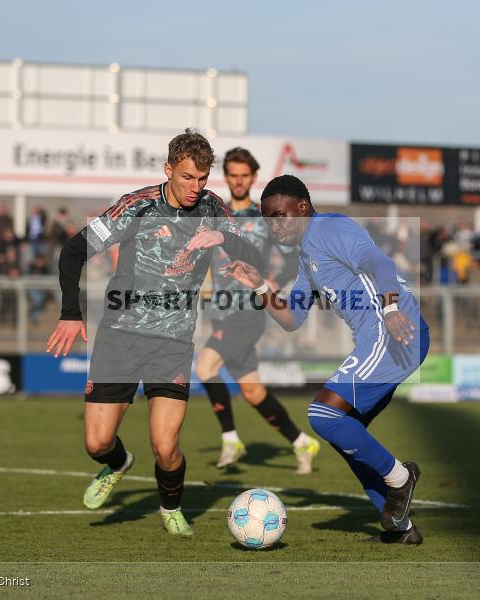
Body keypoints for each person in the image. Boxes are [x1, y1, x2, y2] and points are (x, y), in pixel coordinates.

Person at [45, 130, 263, 537]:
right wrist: (70, 313)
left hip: (174, 343)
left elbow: (254, 256)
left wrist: (225, 238)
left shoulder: (214, 208)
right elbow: (73, 251)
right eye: (186, 178)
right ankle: (119, 463)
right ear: (168, 170)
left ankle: (171, 507)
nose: (195, 188)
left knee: (166, 446)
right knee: (97, 443)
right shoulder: (138, 206)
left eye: (202, 179)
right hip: (119, 337)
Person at [222, 175, 430, 545]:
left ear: (302, 207)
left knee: (323, 415)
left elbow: (379, 261)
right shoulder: (307, 256)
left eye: (280, 215)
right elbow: (291, 319)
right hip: (385, 336)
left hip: (393, 331)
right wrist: (259, 286)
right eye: (268, 219)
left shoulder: (329, 228)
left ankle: (401, 478)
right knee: (344, 432)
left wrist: (392, 307)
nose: (275, 225)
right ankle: (400, 528)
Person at [194, 148, 319, 472]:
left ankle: (230, 439)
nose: (238, 180)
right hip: (221, 311)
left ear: (252, 177)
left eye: (244, 175)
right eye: (233, 174)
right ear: (227, 177)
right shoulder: (214, 214)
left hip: (249, 310)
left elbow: (294, 253)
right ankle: (302, 443)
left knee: (206, 365)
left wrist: (276, 280)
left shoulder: (265, 219)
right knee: (253, 392)